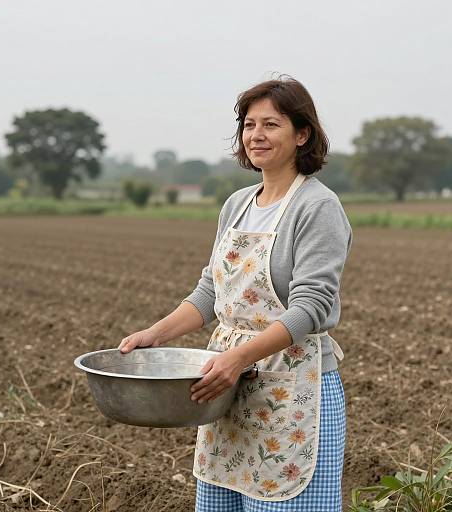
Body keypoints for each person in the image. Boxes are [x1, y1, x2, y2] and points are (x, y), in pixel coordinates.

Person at [119, 76, 352, 512]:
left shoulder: (318, 207)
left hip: (292, 392)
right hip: (227, 392)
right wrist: (155, 334)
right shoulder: (238, 203)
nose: (256, 135)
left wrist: (239, 359)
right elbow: (211, 292)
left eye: (272, 124)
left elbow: (312, 307)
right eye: (249, 125)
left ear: (302, 135)